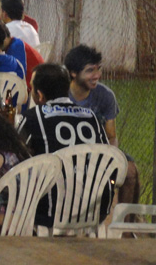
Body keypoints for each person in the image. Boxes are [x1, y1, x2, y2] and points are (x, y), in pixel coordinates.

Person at [17, 63, 110, 226]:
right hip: (95, 209)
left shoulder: (32, 117)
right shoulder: (91, 117)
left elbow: (12, 157)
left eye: (31, 88)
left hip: (50, 212)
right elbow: (109, 158)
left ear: (40, 95)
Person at [65, 44, 141, 206]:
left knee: (131, 172)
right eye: (90, 70)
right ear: (73, 73)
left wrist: (110, 159)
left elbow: (111, 136)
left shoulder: (105, 96)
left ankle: (126, 221)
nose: (97, 75)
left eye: (98, 69)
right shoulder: (61, 94)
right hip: (66, 151)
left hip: (98, 152)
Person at [3, 29, 44, 93]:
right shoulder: (15, 43)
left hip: (33, 87)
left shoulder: (15, 48)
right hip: (35, 82)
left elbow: (17, 79)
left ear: (4, 38)